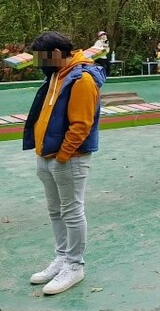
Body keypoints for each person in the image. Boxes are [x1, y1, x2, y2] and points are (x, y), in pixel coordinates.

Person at [23, 31, 105, 295]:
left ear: (57, 54)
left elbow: (82, 125)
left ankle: (74, 265)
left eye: (43, 58)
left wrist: (63, 155)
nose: (40, 64)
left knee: (71, 211)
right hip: (46, 155)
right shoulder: (57, 74)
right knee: (55, 211)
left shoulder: (81, 79)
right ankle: (61, 258)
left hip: (68, 159)